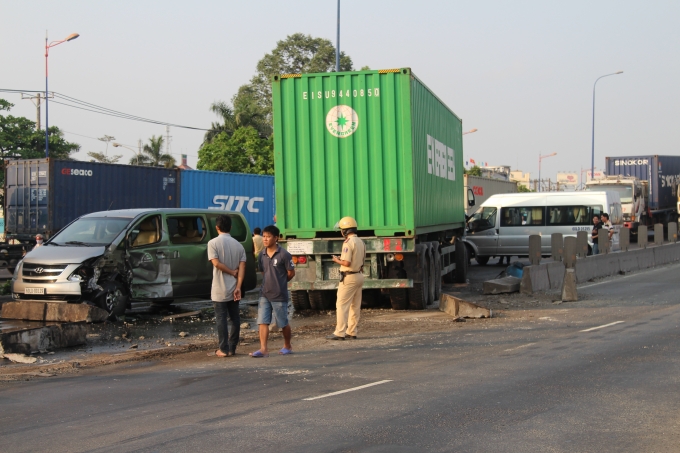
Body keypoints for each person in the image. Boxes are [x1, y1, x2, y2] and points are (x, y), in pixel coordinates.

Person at [250, 225, 295, 358]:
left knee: (282, 322)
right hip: (264, 294)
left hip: (279, 294)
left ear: (276, 238)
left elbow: (291, 273)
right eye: (264, 236)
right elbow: (263, 272)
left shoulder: (284, 255)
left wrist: (280, 282)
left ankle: (287, 345)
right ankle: (263, 349)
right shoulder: (262, 255)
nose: (265, 239)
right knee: (262, 321)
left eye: (268, 236)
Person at [207, 215, 246, 358]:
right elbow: (242, 268)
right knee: (235, 318)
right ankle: (232, 348)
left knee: (221, 319)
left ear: (217, 227)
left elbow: (216, 263)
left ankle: (223, 349)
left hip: (219, 289)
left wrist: (229, 271)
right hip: (234, 288)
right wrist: (238, 287)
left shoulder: (212, 243)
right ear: (230, 227)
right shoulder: (239, 245)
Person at [327, 216, 366, 340]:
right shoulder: (361, 242)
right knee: (355, 306)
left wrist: (337, 260)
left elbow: (346, 263)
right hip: (359, 275)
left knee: (342, 305)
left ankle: (339, 332)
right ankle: (352, 331)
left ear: (345, 231)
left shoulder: (348, 243)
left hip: (349, 277)